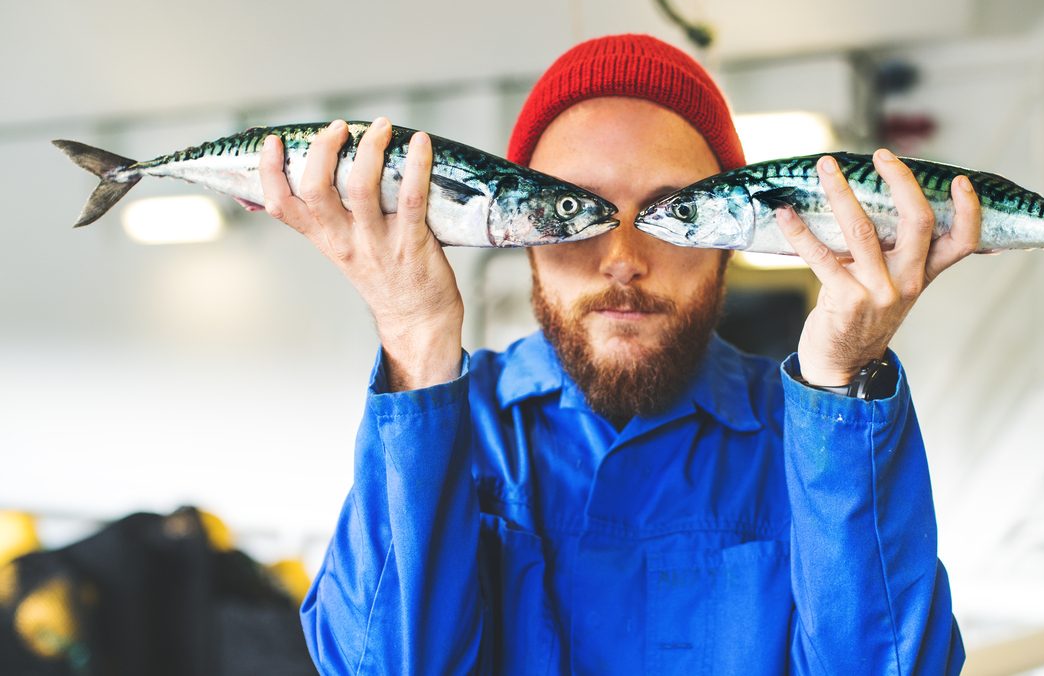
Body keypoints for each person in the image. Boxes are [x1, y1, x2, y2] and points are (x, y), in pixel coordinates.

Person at [259, 34, 981, 674]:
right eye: (576, 210)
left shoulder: (810, 432)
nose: (624, 259)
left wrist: (844, 381)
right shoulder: (454, 421)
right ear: (520, 230)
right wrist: (413, 335)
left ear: (731, 235)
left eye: (674, 213)